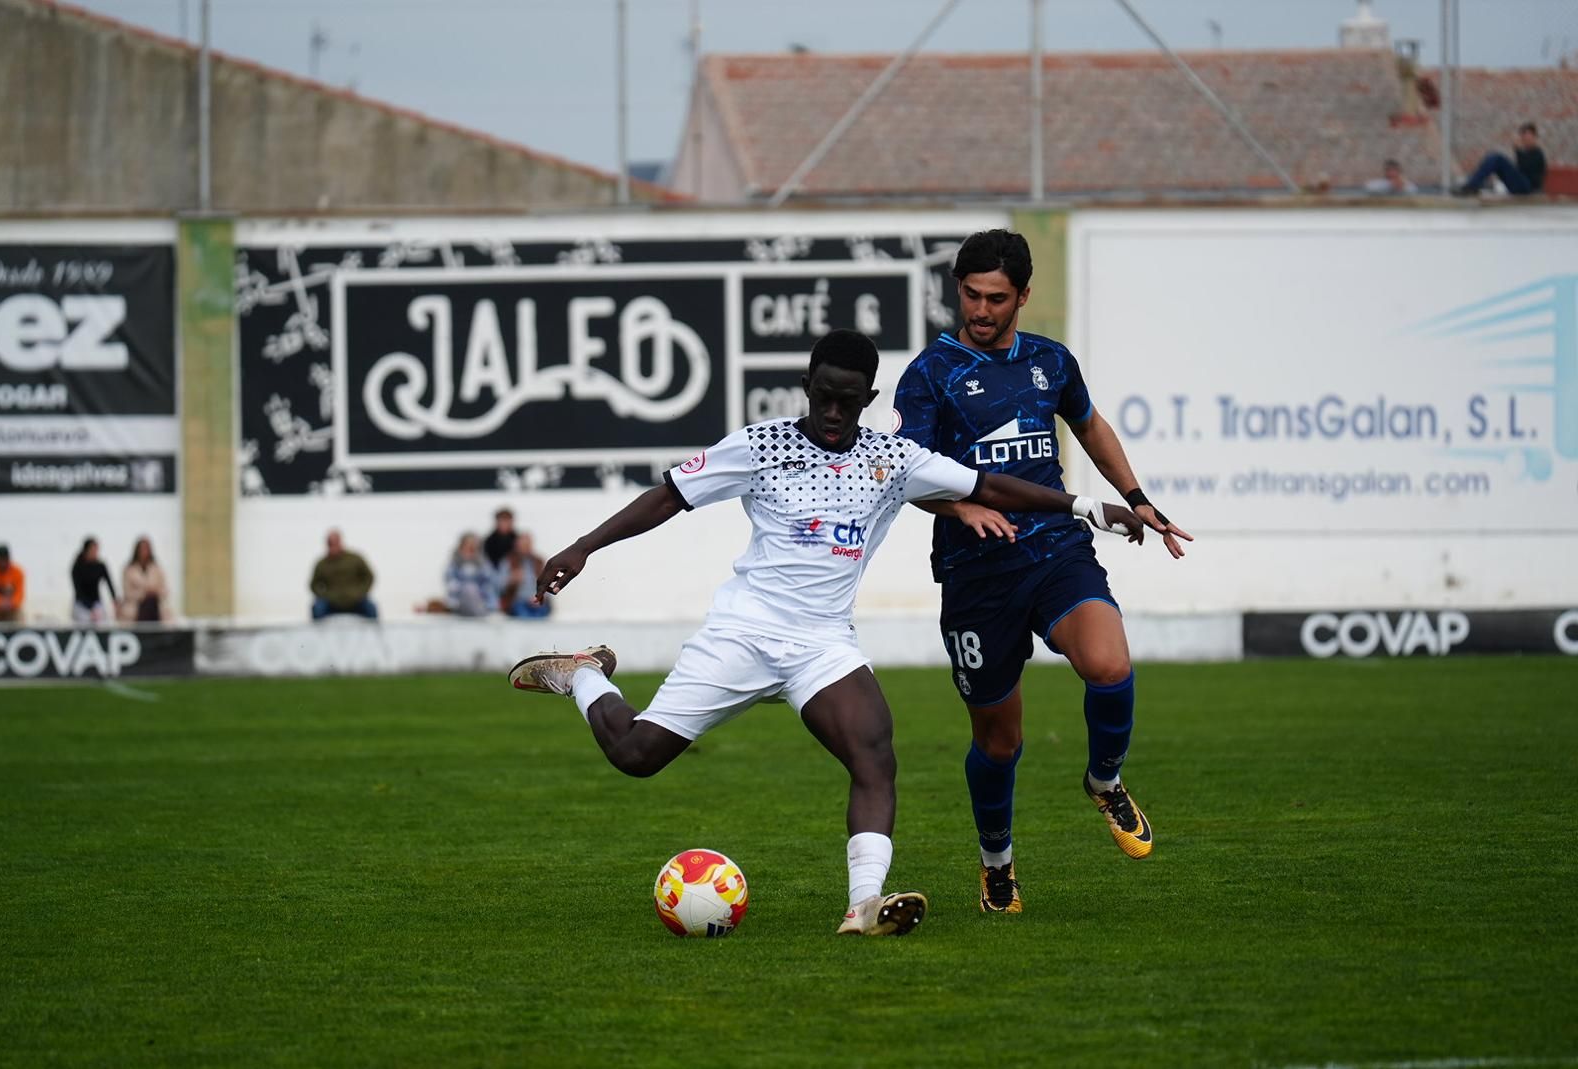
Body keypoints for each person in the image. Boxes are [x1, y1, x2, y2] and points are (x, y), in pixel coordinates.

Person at [509, 329, 1146, 936]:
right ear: (806, 386)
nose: (834, 411)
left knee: (875, 753)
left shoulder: (893, 458)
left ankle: (863, 906)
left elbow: (988, 484)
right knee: (635, 756)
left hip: (821, 644)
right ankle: (583, 675)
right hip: (744, 632)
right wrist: (585, 546)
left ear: (868, 400)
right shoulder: (760, 445)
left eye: (849, 400)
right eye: (824, 396)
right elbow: (667, 496)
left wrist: (1085, 505)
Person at [892, 228, 1193, 915]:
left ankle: (1105, 779)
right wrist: (962, 506)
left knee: (1109, 664)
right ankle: (997, 862)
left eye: (996, 297)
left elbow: (1089, 425)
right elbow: (904, 473)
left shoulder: (1050, 361)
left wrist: (1139, 497)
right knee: (1000, 740)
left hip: (1055, 548)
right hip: (976, 573)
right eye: (970, 294)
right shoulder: (930, 374)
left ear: (1024, 295)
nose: (981, 309)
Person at [1456, 123, 1547, 196]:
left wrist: (1518, 151)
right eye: (1523, 137)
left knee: (1498, 158)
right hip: (1521, 185)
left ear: (1535, 137)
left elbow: (1525, 168)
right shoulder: (1525, 153)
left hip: (1529, 188)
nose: (1525, 140)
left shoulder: (1538, 154)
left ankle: (1472, 185)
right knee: (1493, 158)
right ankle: (1472, 184)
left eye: (1528, 136)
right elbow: (1520, 168)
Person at [309, 529, 378, 620]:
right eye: (330, 543)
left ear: (340, 542)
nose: (333, 546)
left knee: (371, 608)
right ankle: (318, 633)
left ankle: (373, 632)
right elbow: (313, 584)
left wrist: (360, 593)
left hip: (355, 601)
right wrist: (325, 595)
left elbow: (369, 576)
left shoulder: (355, 559)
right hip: (331, 602)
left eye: (335, 543)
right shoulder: (322, 564)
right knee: (317, 608)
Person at [445, 532, 503, 617]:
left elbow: (490, 584)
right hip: (461, 602)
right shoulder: (455, 564)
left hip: (481, 601)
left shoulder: (483, 564)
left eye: (473, 547)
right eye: (468, 546)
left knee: (473, 590)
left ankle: (481, 613)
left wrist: (490, 603)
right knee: (470, 589)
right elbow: (451, 584)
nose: (470, 550)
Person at [118, 537, 172, 623]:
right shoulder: (129, 570)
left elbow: (165, 590)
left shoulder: (157, 569)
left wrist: (154, 592)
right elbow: (127, 593)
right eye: (142, 549)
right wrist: (144, 594)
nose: (144, 551)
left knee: (152, 604)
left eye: (147, 548)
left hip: (155, 607)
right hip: (136, 608)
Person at [502, 533, 551, 619]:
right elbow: (499, 585)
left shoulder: (539, 562)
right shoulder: (509, 561)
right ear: (517, 545)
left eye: (527, 545)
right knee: (523, 616)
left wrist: (541, 598)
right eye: (523, 545)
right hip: (518, 601)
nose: (525, 547)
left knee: (540, 616)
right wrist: (511, 580)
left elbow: (548, 584)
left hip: (537, 601)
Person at [70, 538, 117, 624]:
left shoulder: (100, 566)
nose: (95, 552)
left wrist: (114, 600)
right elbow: (78, 590)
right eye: (93, 550)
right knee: (84, 620)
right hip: (81, 604)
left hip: (96, 603)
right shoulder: (77, 568)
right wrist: (90, 607)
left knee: (104, 621)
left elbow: (109, 583)